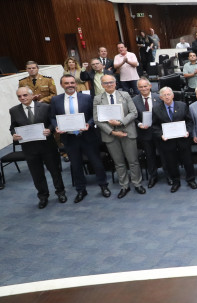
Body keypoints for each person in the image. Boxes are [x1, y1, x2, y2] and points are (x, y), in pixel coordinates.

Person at [50, 74, 110, 202]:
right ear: (62, 85)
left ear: (75, 84)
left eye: (72, 82)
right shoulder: (56, 100)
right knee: (76, 165)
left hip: (87, 136)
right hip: (69, 138)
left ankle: (103, 186)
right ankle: (81, 190)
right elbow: (52, 117)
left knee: (96, 163)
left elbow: (94, 115)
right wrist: (56, 126)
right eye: (66, 83)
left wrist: (90, 123)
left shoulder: (87, 98)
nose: (70, 85)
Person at [9, 86, 66, 208]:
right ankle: (43, 196)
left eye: (25, 95)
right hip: (29, 148)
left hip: (47, 146)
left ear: (31, 95)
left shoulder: (45, 107)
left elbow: (52, 122)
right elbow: (12, 127)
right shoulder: (14, 110)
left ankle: (60, 192)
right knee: (37, 174)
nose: (22, 98)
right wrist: (14, 134)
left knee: (55, 171)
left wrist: (50, 130)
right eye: (19, 96)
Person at [93, 74, 145, 198]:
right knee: (119, 163)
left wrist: (121, 122)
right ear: (102, 85)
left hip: (127, 132)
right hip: (110, 134)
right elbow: (97, 119)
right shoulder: (97, 99)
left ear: (116, 83)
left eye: (111, 82)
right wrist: (113, 131)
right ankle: (124, 186)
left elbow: (134, 113)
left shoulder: (125, 95)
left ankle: (137, 183)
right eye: (106, 83)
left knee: (133, 161)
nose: (109, 85)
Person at [152, 87, 197, 193]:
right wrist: (161, 135)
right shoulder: (156, 109)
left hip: (183, 139)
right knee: (171, 163)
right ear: (161, 97)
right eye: (164, 95)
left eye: (169, 94)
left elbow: (189, 121)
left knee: (188, 161)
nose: (167, 97)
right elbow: (154, 126)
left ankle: (191, 180)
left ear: (173, 95)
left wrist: (188, 132)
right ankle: (176, 182)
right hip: (167, 141)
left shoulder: (182, 105)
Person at [132, 78, 161, 188]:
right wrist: (139, 124)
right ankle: (153, 176)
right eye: (141, 87)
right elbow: (133, 116)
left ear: (150, 86)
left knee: (163, 154)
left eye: (145, 86)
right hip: (144, 133)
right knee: (150, 156)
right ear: (138, 88)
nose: (143, 88)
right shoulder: (134, 100)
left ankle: (168, 175)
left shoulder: (159, 98)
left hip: (159, 131)